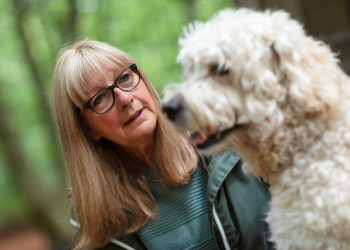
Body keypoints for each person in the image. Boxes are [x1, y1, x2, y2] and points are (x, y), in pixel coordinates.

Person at [51, 39, 274, 250]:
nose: (125, 98)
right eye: (99, 98)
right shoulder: (98, 219)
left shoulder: (228, 134)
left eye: (124, 77)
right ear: (88, 129)